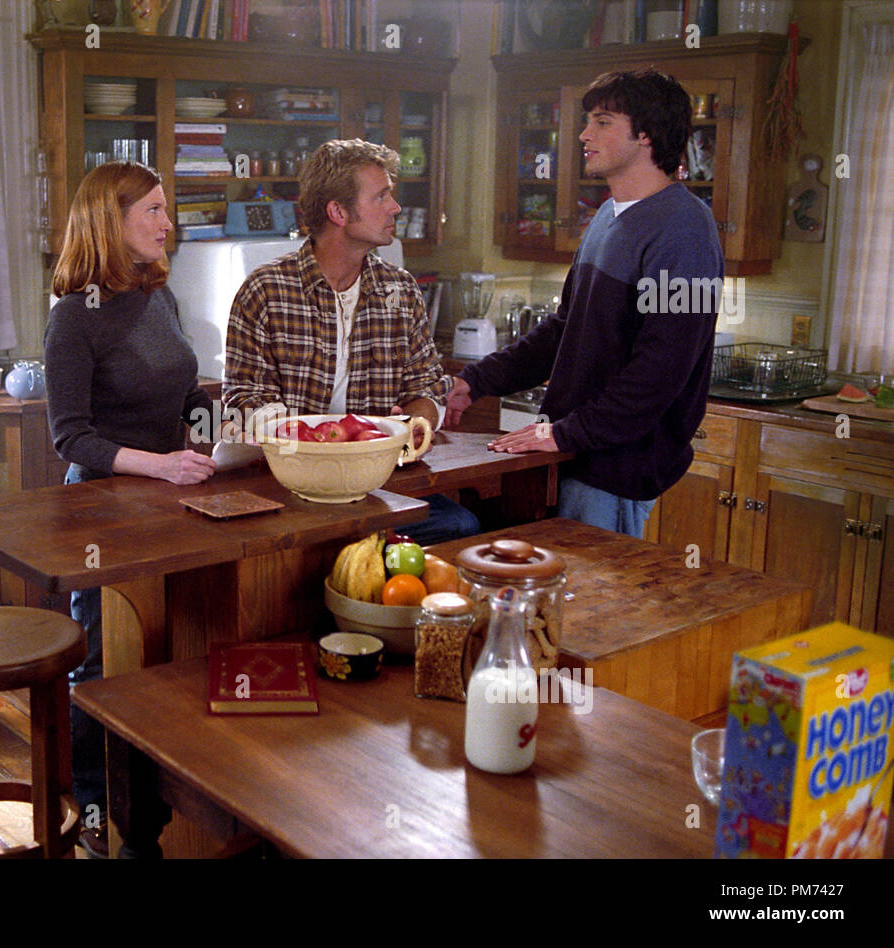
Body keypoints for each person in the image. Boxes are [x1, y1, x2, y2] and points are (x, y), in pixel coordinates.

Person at [446, 68, 723, 538]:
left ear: (646, 134)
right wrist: (476, 380)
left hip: (617, 469)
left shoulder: (685, 230)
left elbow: (662, 372)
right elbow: (564, 330)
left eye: (602, 121)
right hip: (573, 457)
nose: (582, 134)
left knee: (596, 608)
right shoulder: (607, 218)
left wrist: (564, 433)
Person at [44, 161, 217, 857]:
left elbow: (188, 399)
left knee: (160, 660)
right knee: (100, 664)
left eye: (164, 209)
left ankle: (150, 814)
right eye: (152, 210)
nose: (166, 223)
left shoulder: (160, 297)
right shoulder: (71, 319)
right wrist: (163, 464)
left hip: (167, 500)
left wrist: (216, 437)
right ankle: (98, 821)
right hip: (100, 511)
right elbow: (72, 435)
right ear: (109, 222)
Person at [223, 138, 479, 544]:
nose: (395, 207)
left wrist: (417, 421)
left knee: (462, 525)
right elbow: (245, 400)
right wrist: (320, 445)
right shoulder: (267, 290)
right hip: (291, 490)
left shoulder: (401, 290)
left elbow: (427, 388)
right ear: (338, 212)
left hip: (379, 487)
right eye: (381, 197)